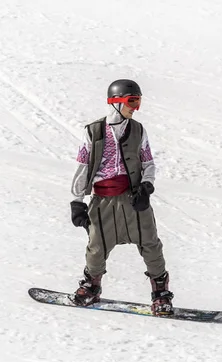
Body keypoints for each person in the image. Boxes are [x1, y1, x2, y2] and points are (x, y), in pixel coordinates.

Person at [69, 79, 174, 316]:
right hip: (103, 200)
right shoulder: (93, 131)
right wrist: (77, 202)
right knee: (97, 246)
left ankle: (160, 293)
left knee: (150, 243)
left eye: (138, 101)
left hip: (133, 198)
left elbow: (148, 163)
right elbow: (82, 167)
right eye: (132, 101)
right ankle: (92, 285)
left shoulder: (138, 130)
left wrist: (146, 187)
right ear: (116, 102)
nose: (135, 107)